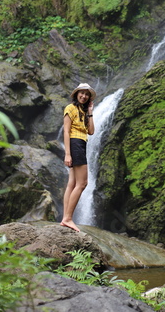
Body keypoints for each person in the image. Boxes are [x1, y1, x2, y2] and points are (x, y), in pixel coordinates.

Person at [60, 83, 96, 232]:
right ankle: (68, 218)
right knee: (83, 183)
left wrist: (90, 112)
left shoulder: (83, 111)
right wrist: (68, 153)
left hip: (81, 144)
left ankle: (64, 218)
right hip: (75, 144)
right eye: (81, 93)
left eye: (87, 94)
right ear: (76, 94)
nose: (84, 96)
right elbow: (66, 132)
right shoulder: (70, 108)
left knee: (72, 183)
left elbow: (92, 131)